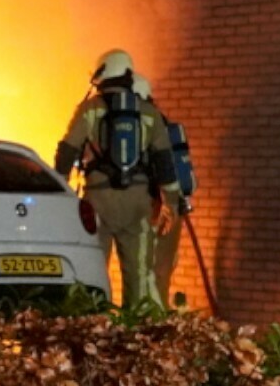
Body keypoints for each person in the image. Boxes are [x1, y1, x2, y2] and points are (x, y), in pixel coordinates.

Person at [54, 50, 185, 312]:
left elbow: (68, 150)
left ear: (103, 72)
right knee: (139, 274)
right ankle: (136, 335)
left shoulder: (90, 109)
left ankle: (93, 328)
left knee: (93, 269)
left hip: (98, 203)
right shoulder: (148, 113)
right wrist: (171, 200)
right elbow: (165, 161)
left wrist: (58, 189)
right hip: (138, 204)